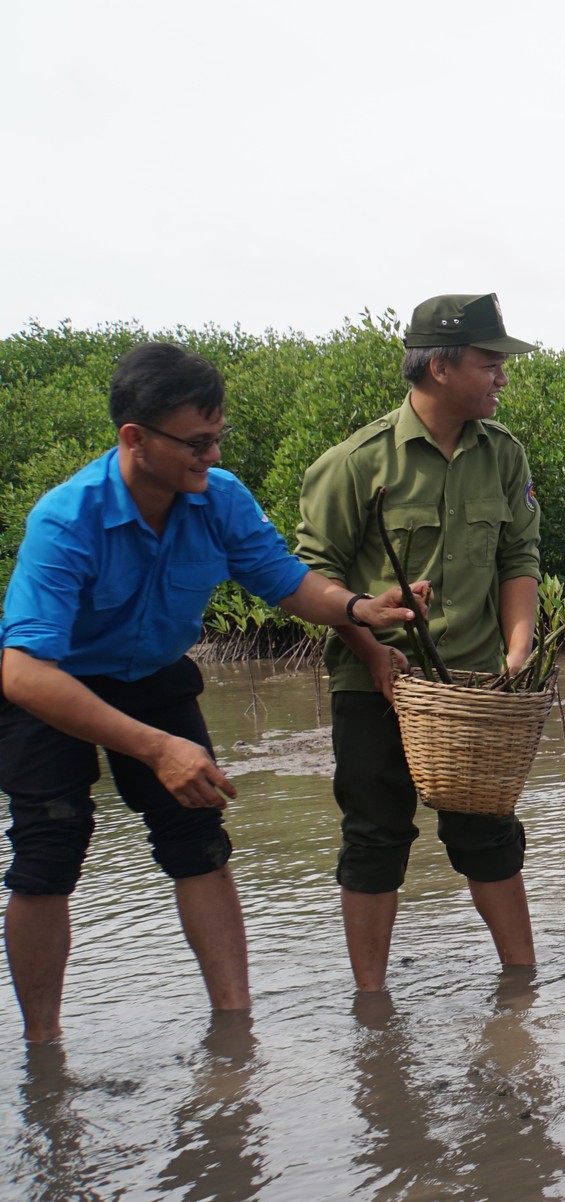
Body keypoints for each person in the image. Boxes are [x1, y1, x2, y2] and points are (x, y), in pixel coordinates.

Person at [0, 342, 421, 1042]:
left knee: (199, 839)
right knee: (48, 852)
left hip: (155, 676)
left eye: (217, 437)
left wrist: (358, 611)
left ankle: (235, 1026)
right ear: (135, 439)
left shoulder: (218, 499)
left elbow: (285, 581)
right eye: (197, 443)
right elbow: (21, 673)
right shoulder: (66, 519)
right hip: (58, 685)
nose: (213, 457)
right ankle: (45, 1049)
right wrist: (155, 746)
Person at [294, 293, 544, 993]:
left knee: (488, 836)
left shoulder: (503, 454)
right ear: (439, 367)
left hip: (473, 691)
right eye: (490, 363)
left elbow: (518, 560)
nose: (502, 377)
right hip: (377, 683)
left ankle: (522, 988)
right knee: (375, 838)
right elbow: (314, 577)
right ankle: (371, 1003)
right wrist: (373, 650)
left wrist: (515, 655)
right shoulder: (354, 463)